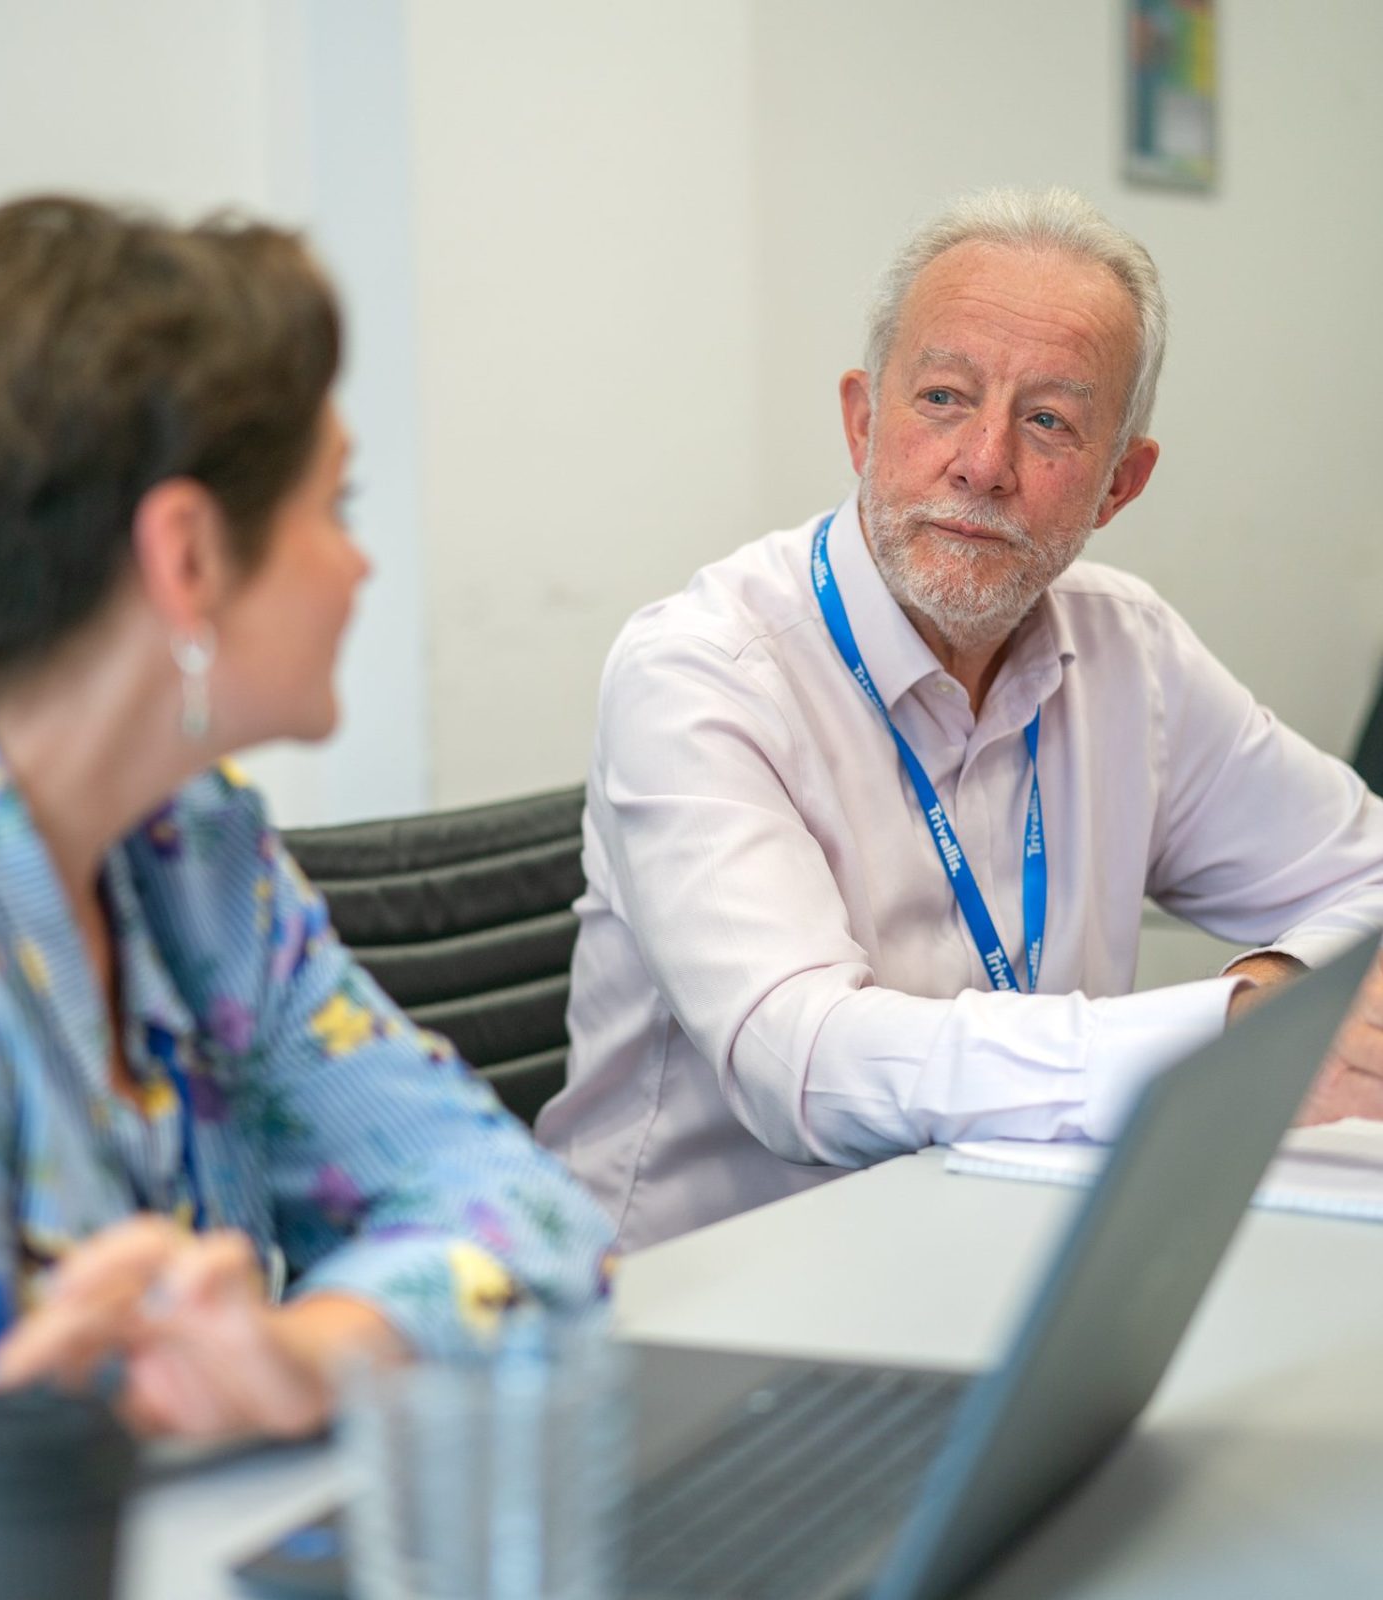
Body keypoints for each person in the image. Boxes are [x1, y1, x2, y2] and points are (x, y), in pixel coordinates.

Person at [0, 195, 611, 1543]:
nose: (359, 564)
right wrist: (161, 1402)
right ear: (185, 556)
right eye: (334, 504)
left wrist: (305, 1352)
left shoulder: (195, 855)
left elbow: (530, 1213)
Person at [538, 187, 1383, 1251]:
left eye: (1048, 421)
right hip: (701, 1292)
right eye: (942, 397)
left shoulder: (1128, 650)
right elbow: (803, 1064)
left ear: (1119, 484)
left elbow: (1366, 874)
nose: (983, 463)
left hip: (1009, 1252)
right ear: (862, 422)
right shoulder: (703, 669)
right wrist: (1226, 1033)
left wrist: (1287, 990)